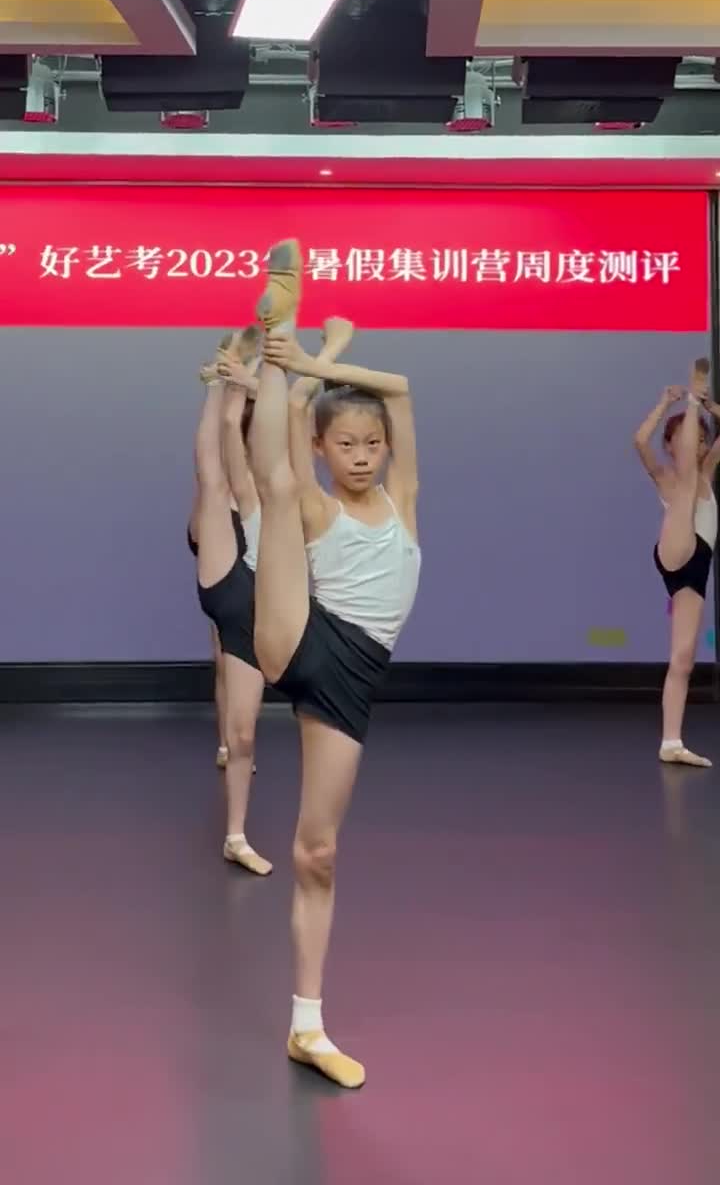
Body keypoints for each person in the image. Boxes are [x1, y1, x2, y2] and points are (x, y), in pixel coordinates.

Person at [219, 240, 421, 1090]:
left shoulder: (403, 501)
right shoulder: (320, 502)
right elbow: (281, 463)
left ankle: (308, 1028)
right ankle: (281, 308)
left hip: (352, 679)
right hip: (301, 634)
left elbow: (399, 389)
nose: (364, 454)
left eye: (372, 443)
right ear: (327, 448)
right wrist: (295, 358)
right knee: (275, 488)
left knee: (317, 853)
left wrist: (321, 362)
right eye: (347, 444)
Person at [190, 327, 271, 874]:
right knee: (214, 483)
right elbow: (214, 453)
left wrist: (254, 376)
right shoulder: (227, 477)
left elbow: (293, 420)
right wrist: (227, 381)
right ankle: (236, 835)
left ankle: (234, 837)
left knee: (245, 733)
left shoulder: (279, 479)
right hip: (229, 579)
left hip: (271, 599)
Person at [634, 356, 720, 768]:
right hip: (676, 547)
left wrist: (707, 406)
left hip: (696, 568)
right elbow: (640, 441)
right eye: (688, 438)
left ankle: (671, 742)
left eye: (703, 439)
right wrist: (667, 403)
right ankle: (692, 392)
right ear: (670, 445)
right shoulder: (668, 476)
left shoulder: (708, 470)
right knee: (687, 478)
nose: (697, 445)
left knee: (683, 659)